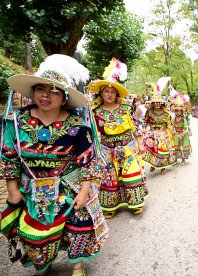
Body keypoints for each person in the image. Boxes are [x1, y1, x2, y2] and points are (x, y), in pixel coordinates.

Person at [1, 54, 108, 276]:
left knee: (80, 224)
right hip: (31, 188)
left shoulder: (77, 126)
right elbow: (8, 157)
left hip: (70, 185)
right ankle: (43, 262)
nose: (45, 95)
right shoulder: (16, 122)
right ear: (33, 92)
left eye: (54, 91)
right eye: (40, 89)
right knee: (34, 234)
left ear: (64, 98)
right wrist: (12, 190)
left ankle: (77, 266)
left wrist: (85, 192)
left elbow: (87, 161)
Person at [88, 58, 148, 219]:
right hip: (107, 149)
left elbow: (135, 127)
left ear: (116, 94)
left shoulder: (126, 109)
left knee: (131, 175)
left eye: (112, 92)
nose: (109, 94)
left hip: (127, 147)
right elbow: (92, 133)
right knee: (109, 179)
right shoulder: (95, 111)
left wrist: (140, 144)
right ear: (101, 93)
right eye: (106, 91)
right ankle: (110, 206)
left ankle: (136, 203)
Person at [142, 89, 177, 175]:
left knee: (162, 150)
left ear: (161, 103)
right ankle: (153, 164)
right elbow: (145, 121)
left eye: (158, 102)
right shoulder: (149, 112)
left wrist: (173, 132)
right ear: (152, 103)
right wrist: (143, 128)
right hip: (152, 133)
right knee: (152, 149)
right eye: (155, 102)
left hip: (162, 133)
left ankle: (163, 168)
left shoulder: (166, 113)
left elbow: (169, 123)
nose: (157, 104)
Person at [171, 95, 192, 162]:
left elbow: (186, 128)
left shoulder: (183, 120)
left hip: (183, 135)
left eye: (179, 111)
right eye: (176, 111)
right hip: (176, 135)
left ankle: (183, 158)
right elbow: (171, 127)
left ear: (181, 112)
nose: (177, 112)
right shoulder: (173, 120)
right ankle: (175, 158)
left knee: (183, 146)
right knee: (176, 147)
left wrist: (182, 135)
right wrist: (173, 132)